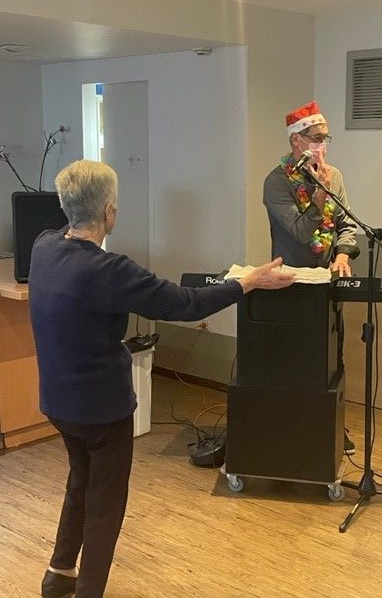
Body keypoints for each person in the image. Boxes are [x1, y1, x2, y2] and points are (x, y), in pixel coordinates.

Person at [29, 159, 295, 598]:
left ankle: (58, 575)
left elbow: (71, 231)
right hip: (101, 409)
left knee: (81, 479)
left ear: (65, 206)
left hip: (59, 403)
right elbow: (185, 304)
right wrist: (245, 283)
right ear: (109, 211)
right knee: (105, 504)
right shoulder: (109, 271)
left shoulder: (44, 247)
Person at [263, 100, 358, 455]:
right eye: (317, 138)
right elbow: (303, 233)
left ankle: (333, 427)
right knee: (296, 360)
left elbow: (347, 225)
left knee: (333, 358)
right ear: (296, 141)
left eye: (325, 138)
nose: (322, 145)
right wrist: (318, 196)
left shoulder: (335, 177)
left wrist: (343, 253)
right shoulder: (276, 183)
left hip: (328, 282)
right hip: (291, 284)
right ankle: (295, 431)